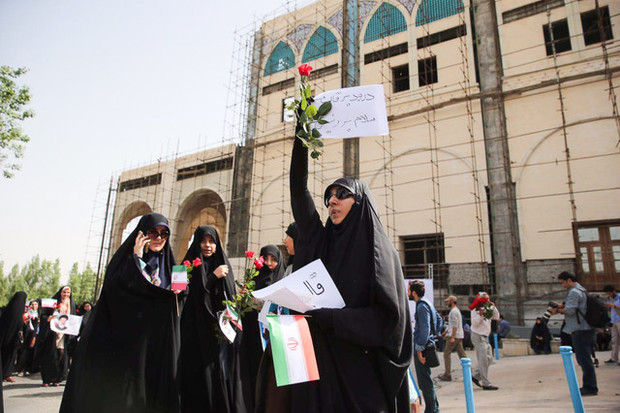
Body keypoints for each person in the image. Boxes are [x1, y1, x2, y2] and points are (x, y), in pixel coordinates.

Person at [256, 136, 412, 412]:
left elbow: (388, 321)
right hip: (318, 366)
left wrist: (333, 318)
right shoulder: (322, 240)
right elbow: (298, 192)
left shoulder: (380, 254)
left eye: (342, 195)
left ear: (360, 201)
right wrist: (301, 138)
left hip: (359, 375)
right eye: (329, 196)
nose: (332, 201)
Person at [60, 213, 185, 413]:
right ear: (142, 234)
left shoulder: (175, 268)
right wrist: (137, 257)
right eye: (154, 232)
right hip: (130, 342)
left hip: (158, 341)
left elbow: (180, 300)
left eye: (164, 233)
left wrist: (178, 293)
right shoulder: (125, 262)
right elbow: (120, 292)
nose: (159, 238)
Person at [179, 226, 236, 413]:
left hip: (214, 333)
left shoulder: (223, 265)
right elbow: (180, 297)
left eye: (211, 241)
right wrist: (212, 277)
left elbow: (231, 300)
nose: (207, 246)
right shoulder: (184, 265)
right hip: (192, 331)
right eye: (203, 241)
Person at [239, 244, 285, 413]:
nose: (268, 263)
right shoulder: (254, 279)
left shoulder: (282, 280)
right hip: (252, 335)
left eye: (273, 259)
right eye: (265, 258)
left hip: (271, 338)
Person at [549, 272, 598, 396]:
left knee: (584, 359)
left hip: (581, 329)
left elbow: (570, 310)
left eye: (563, 282)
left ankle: (590, 387)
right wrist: (560, 306)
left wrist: (557, 311)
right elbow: (574, 307)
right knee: (585, 358)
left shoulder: (574, 292)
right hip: (585, 328)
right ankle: (589, 385)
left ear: (569, 280)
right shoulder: (581, 290)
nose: (562, 285)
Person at [409, 281, 440, 413]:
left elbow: (425, 329)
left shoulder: (421, 306)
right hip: (428, 345)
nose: (408, 293)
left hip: (424, 348)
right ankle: (434, 408)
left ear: (414, 293)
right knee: (427, 380)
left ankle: (432, 410)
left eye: (409, 290)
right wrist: (436, 335)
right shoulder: (427, 303)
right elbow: (439, 320)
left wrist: (420, 349)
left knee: (425, 382)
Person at [38, 286, 75, 387]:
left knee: (61, 354)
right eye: (64, 292)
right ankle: (47, 379)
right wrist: (48, 319)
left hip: (64, 334)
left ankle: (56, 378)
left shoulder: (71, 305)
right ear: (60, 292)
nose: (66, 295)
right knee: (50, 353)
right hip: (52, 332)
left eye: (68, 293)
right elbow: (43, 315)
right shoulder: (53, 303)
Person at [469, 292, 500, 390]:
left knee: (489, 358)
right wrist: (481, 315)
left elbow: (496, 317)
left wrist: (493, 307)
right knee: (483, 361)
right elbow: (475, 323)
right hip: (478, 336)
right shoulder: (475, 310)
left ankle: (474, 376)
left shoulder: (488, 308)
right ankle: (486, 383)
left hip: (485, 337)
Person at [0, 292, 28, 384]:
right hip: (10, 338)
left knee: (10, 355)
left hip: (8, 337)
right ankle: (6, 374)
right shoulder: (17, 311)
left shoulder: (7, 309)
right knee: (10, 356)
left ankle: (6, 374)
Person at [438, 295, 467, 382]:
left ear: (451, 302)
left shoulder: (453, 312)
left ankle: (447, 374)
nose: (447, 303)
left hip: (454, 335)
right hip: (458, 335)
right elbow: (452, 325)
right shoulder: (455, 311)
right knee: (461, 354)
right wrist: (445, 332)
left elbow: (454, 326)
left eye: (448, 301)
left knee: (446, 354)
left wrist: (452, 337)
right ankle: (468, 371)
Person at [603, 285, 620, 365]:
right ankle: (614, 358)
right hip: (613, 321)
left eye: (609, 293)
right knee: (614, 340)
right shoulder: (609, 299)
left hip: (619, 319)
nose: (609, 294)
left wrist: (614, 306)